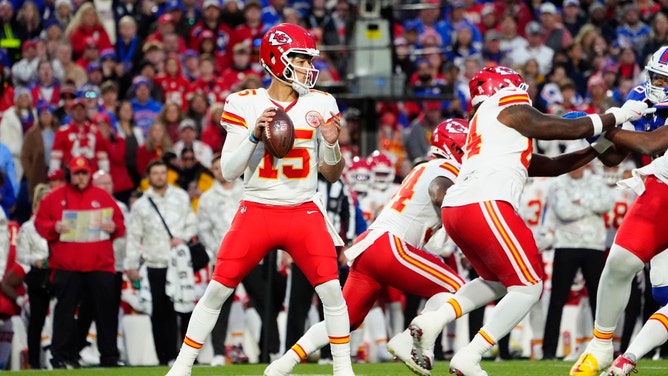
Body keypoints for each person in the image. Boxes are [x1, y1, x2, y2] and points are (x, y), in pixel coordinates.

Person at [396, 65, 653, 376]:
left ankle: (431, 321)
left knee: (496, 282)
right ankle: (470, 356)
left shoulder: (489, 127)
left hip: (458, 209)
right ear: (505, 87)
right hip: (485, 203)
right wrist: (618, 115)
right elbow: (566, 128)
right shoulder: (504, 108)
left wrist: (598, 146)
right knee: (529, 286)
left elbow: (555, 165)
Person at [166, 23, 353, 376]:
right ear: (274, 59)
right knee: (219, 288)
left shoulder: (322, 103)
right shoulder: (244, 103)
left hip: (303, 208)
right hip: (258, 207)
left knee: (332, 291)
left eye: (307, 59)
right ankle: (182, 366)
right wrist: (253, 134)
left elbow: (332, 174)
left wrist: (330, 143)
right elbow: (229, 170)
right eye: (298, 58)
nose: (306, 67)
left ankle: (343, 370)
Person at [266, 119, 469, 376]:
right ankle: (411, 341)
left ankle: (282, 365)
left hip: (370, 246)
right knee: (457, 289)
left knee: (343, 321)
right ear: (457, 146)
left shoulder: (424, 168)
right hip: (391, 245)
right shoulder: (447, 169)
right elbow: (440, 194)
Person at [34, 156, 125, 369]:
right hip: (67, 266)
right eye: (77, 173)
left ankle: (109, 357)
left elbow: (120, 223)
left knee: (106, 313)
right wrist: (53, 227)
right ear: (70, 174)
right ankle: (60, 357)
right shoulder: (54, 198)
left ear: (90, 174)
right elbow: (40, 222)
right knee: (64, 313)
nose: (81, 177)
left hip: (99, 265)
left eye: (84, 173)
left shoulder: (102, 196)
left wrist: (113, 227)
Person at [124, 159, 197, 366]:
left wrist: (181, 238)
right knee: (159, 311)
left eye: (162, 172)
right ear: (148, 177)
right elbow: (133, 236)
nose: (159, 176)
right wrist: (131, 265)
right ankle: (163, 357)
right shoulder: (141, 205)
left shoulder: (181, 197)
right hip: (155, 263)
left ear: (167, 174)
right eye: (155, 173)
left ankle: (181, 355)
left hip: (178, 263)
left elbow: (192, 223)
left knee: (182, 309)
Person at [15, 183, 51, 369]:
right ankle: (35, 363)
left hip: (58, 273)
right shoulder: (28, 227)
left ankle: (62, 357)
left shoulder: (59, 225)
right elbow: (21, 255)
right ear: (37, 203)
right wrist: (37, 260)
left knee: (62, 317)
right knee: (37, 319)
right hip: (38, 275)